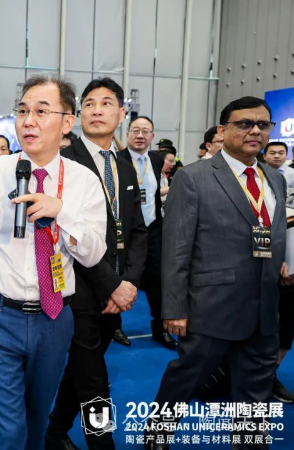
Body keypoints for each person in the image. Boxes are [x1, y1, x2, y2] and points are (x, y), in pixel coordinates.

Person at [0, 73, 107, 450]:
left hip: (55, 319)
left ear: (67, 122)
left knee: (37, 424)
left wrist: (61, 211)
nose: (28, 121)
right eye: (22, 111)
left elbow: (94, 253)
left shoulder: (84, 181)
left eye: (41, 111)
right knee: (8, 433)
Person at [145, 97, 286, 450]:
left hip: (264, 305)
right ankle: (158, 432)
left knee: (257, 384)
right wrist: (174, 308)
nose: (255, 131)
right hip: (211, 306)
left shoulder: (275, 179)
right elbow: (176, 249)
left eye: (263, 125)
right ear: (223, 130)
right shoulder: (193, 177)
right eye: (245, 123)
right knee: (187, 376)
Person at [47, 77, 147, 450]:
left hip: (116, 292)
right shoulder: (64, 163)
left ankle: (54, 433)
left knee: (82, 372)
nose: (96, 110)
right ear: (76, 115)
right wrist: (112, 285)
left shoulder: (123, 166)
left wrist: (128, 283)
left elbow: (137, 231)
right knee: (95, 383)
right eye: (89, 103)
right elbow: (65, 234)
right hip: (77, 290)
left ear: (121, 114)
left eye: (106, 103)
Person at [119, 117, 176, 350]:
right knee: (119, 277)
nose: (140, 135)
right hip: (124, 230)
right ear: (127, 135)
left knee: (158, 280)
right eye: (135, 130)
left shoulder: (156, 159)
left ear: (152, 136)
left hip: (153, 229)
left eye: (145, 131)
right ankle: (114, 326)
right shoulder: (117, 159)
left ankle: (160, 329)